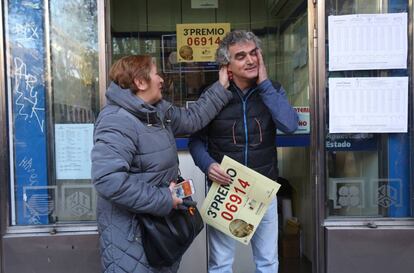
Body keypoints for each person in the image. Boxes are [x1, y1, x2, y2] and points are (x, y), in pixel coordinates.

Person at [91, 55, 232, 273]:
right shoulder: (117, 120)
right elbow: (108, 180)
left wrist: (221, 86)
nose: (162, 80)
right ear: (140, 82)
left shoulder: (157, 111)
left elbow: (192, 119)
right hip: (132, 236)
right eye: (157, 74)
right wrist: (164, 199)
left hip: (158, 231)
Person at [189, 30, 298, 273]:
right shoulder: (214, 94)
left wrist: (265, 85)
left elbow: (290, 125)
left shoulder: (272, 90)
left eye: (253, 54)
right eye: (240, 56)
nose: (250, 60)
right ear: (226, 65)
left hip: (263, 189)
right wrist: (208, 165)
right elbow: (195, 141)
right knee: (221, 264)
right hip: (226, 190)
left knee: (268, 262)